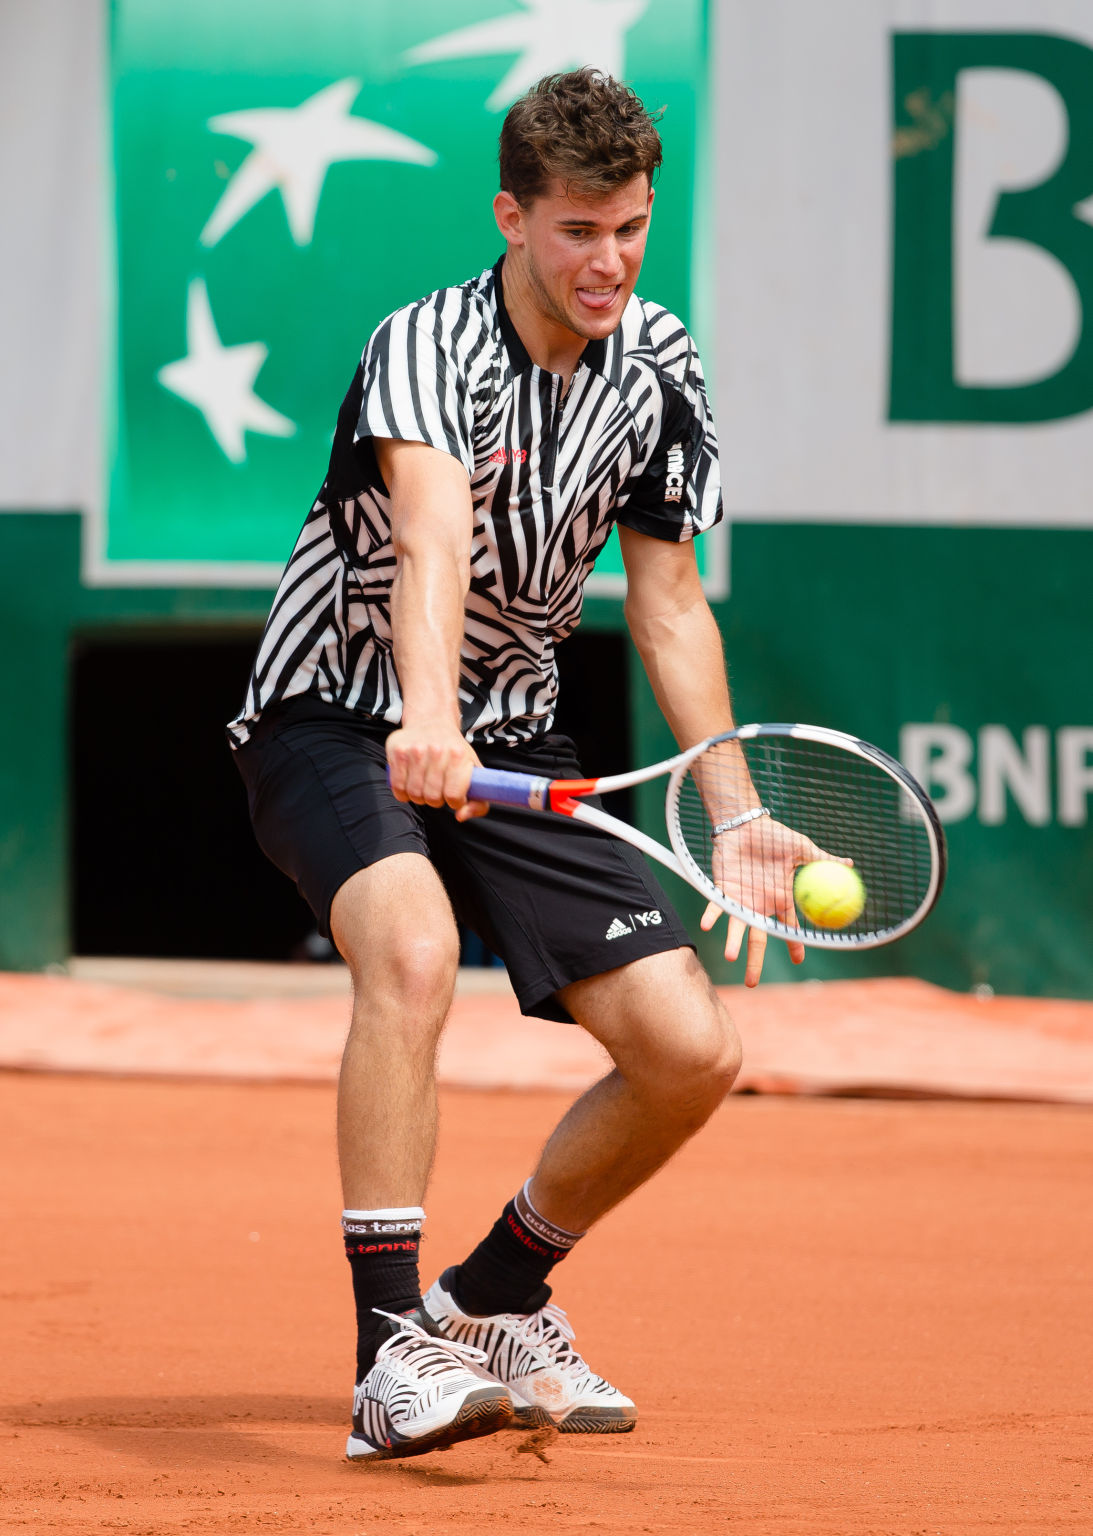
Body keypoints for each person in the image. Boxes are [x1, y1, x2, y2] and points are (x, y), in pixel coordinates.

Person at [228, 68, 809, 1462]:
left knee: (686, 1052)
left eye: (629, 228)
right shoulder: (426, 344)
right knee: (411, 951)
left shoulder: (660, 359)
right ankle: (386, 1357)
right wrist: (425, 719)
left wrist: (732, 810)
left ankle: (490, 1299)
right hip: (334, 708)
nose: (606, 261)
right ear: (511, 217)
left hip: (519, 722)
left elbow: (668, 604)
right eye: (576, 231)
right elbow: (431, 537)